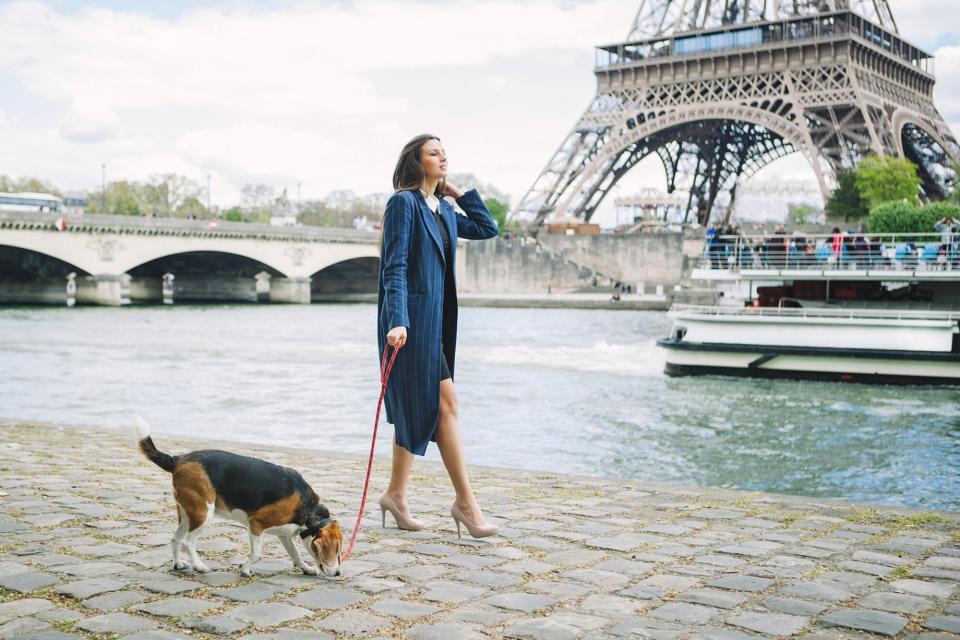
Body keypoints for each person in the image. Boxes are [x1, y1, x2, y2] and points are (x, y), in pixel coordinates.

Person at [377, 134, 500, 539]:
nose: (443, 156)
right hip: (408, 327)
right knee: (445, 402)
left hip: (437, 325)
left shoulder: (443, 210)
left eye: (445, 151)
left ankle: (396, 495)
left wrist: (458, 193)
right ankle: (465, 503)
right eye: (433, 152)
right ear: (415, 162)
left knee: (416, 404)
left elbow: (487, 227)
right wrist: (398, 319)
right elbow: (394, 266)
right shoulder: (404, 203)